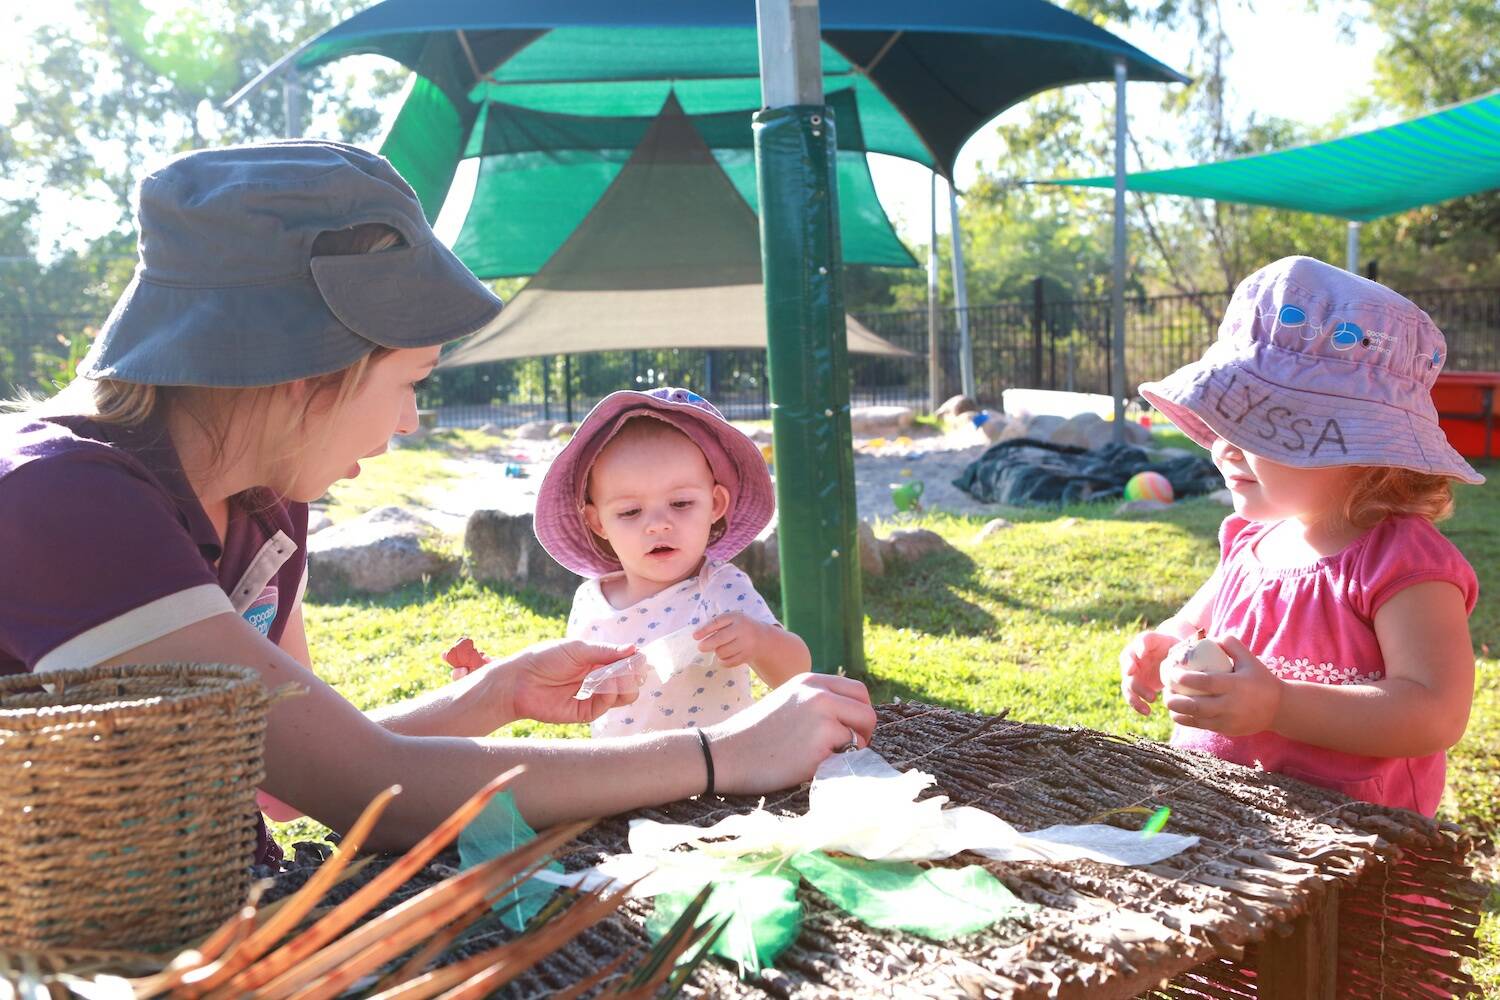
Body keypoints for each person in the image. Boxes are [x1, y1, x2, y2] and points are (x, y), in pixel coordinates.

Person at [0, 141, 876, 862]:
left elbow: (283, 774)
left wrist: (496, 692)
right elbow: (371, 788)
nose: (416, 419)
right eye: (413, 379)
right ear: (306, 372)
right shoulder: (61, 499)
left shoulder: (264, 501)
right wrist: (722, 756)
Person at [1119, 256, 1481, 817]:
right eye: (1223, 422)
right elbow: (1193, 622)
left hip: (1354, 851)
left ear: (1363, 451)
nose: (1223, 447)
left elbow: (1435, 713)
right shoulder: (1250, 540)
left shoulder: (1403, 565)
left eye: (1260, 425)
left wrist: (1279, 705)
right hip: (1227, 816)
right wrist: (1164, 644)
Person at [511, 387, 810, 736]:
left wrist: (761, 641)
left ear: (715, 505)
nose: (658, 524)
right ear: (597, 523)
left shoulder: (718, 588)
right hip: (621, 776)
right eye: (630, 511)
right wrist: (507, 678)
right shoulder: (591, 601)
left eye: (681, 504)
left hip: (717, 775)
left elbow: (797, 672)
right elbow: (573, 686)